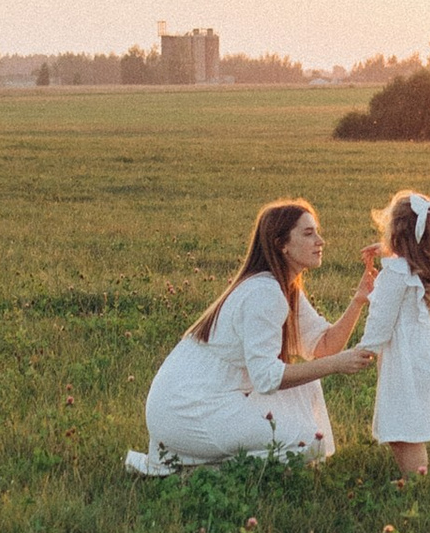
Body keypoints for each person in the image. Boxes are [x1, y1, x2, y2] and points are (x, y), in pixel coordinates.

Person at [129, 198, 374, 473]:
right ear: (281, 244)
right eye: (308, 233)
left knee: (307, 390)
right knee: (309, 442)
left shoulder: (283, 287)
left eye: (316, 231)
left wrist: (358, 300)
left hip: (201, 403)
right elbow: (267, 378)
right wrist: (337, 365)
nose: (320, 240)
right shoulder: (264, 293)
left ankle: (206, 463)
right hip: (189, 412)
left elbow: (324, 346)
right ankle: (202, 471)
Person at [361, 188, 430, 477]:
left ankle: (415, 483)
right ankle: (414, 477)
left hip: (408, 363)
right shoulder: (426, 266)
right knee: (405, 429)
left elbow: (380, 319)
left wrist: (364, 350)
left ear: (394, 233)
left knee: (403, 429)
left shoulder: (395, 273)